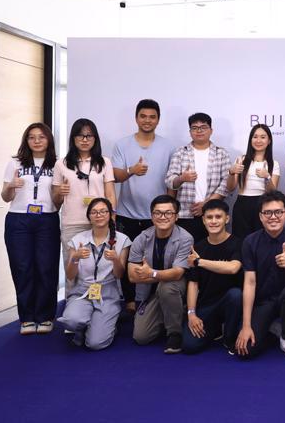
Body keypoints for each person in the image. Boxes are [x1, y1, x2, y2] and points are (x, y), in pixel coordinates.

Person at [111, 99, 175, 316]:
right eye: (143, 116)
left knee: (158, 257)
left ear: (158, 119)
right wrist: (132, 169)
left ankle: (153, 299)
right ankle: (129, 299)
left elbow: (171, 181)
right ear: (136, 118)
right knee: (127, 256)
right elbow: (116, 176)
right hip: (127, 213)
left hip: (157, 216)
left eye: (152, 116)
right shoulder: (122, 144)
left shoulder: (168, 146)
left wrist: (170, 209)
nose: (147, 120)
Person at [236, 191, 285, 359]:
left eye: (278, 212)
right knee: (245, 352)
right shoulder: (250, 241)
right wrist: (246, 325)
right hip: (263, 302)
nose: (273, 217)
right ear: (260, 216)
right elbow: (249, 283)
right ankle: (272, 326)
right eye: (268, 213)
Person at [1, 123, 60, 335]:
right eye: (32, 137)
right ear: (26, 140)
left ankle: (45, 316)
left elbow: (58, 200)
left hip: (46, 220)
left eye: (41, 137)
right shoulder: (15, 162)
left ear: (49, 140)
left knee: (46, 267)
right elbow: (6, 197)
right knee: (22, 267)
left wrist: (60, 193)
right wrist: (10, 186)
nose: (36, 141)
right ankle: (26, 318)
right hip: (18, 221)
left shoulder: (58, 164)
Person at [53, 118, 116, 293]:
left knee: (101, 264)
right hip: (72, 223)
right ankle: (72, 305)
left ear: (95, 138)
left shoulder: (104, 162)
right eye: (80, 135)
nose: (85, 139)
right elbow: (55, 200)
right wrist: (60, 192)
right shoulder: (62, 164)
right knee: (73, 265)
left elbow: (110, 194)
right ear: (73, 138)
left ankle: (102, 306)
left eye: (89, 135)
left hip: (99, 222)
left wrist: (112, 219)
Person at [58, 198, 130, 350]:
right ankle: (87, 324)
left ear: (110, 214)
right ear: (89, 216)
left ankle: (104, 324)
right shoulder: (78, 239)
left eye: (103, 211)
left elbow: (119, 275)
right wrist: (75, 258)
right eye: (94, 212)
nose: (99, 215)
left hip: (107, 294)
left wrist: (116, 260)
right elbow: (70, 276)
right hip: (82, 291)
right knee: (71, 320)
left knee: (95, 344)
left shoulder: (121, 239)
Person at [128, 194, 193, 354]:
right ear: (151, 216)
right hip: (149, 294)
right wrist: (162, 275)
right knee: (141, 337)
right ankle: (171, 314)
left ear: (176, 217)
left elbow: (178, 273)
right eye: (158, 213)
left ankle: (174, 333)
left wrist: (152, 273)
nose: (163, 217)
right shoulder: (141, 238)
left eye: (168, 213)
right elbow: (132, 276)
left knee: (167, 287)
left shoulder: (185, 238)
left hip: (175, 289)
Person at [182, 199, 243, 355]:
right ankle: (215, 328)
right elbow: (193, 284)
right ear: (203, 220)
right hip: (207, 305)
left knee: (236, 295)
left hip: (231, 304)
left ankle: (229, 338)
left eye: (218, 217)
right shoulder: (198, 247)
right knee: (190, 346)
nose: (214, 221)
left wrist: (199, 262)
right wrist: (191, 313)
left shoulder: (237, 243)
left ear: (226, 219)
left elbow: (233, 268)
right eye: (209, 217)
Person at [165, 112, 231, 244]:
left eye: (203, 127)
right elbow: (170, 181)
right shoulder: (180, 152)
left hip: (213, 215)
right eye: (195, 128)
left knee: (211, 253)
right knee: (186, 254)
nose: (199, 131)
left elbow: (227, 184)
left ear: (211, 130)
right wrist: (182, 178)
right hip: (185, 214)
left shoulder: (221, 153)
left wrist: (206, 204)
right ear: (190, 132)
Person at [226, 124, 280, 241]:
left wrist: (267, 177)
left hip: (263, 205)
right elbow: (230, 188)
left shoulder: (273, 163)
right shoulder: (241, 159)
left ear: (269, 140)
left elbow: (273, 192)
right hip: (242, 204)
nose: (258, 140)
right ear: (250, 139)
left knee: (262, 240)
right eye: (255, 137)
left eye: (263, 137)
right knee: (241, 241)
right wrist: (231, 172)